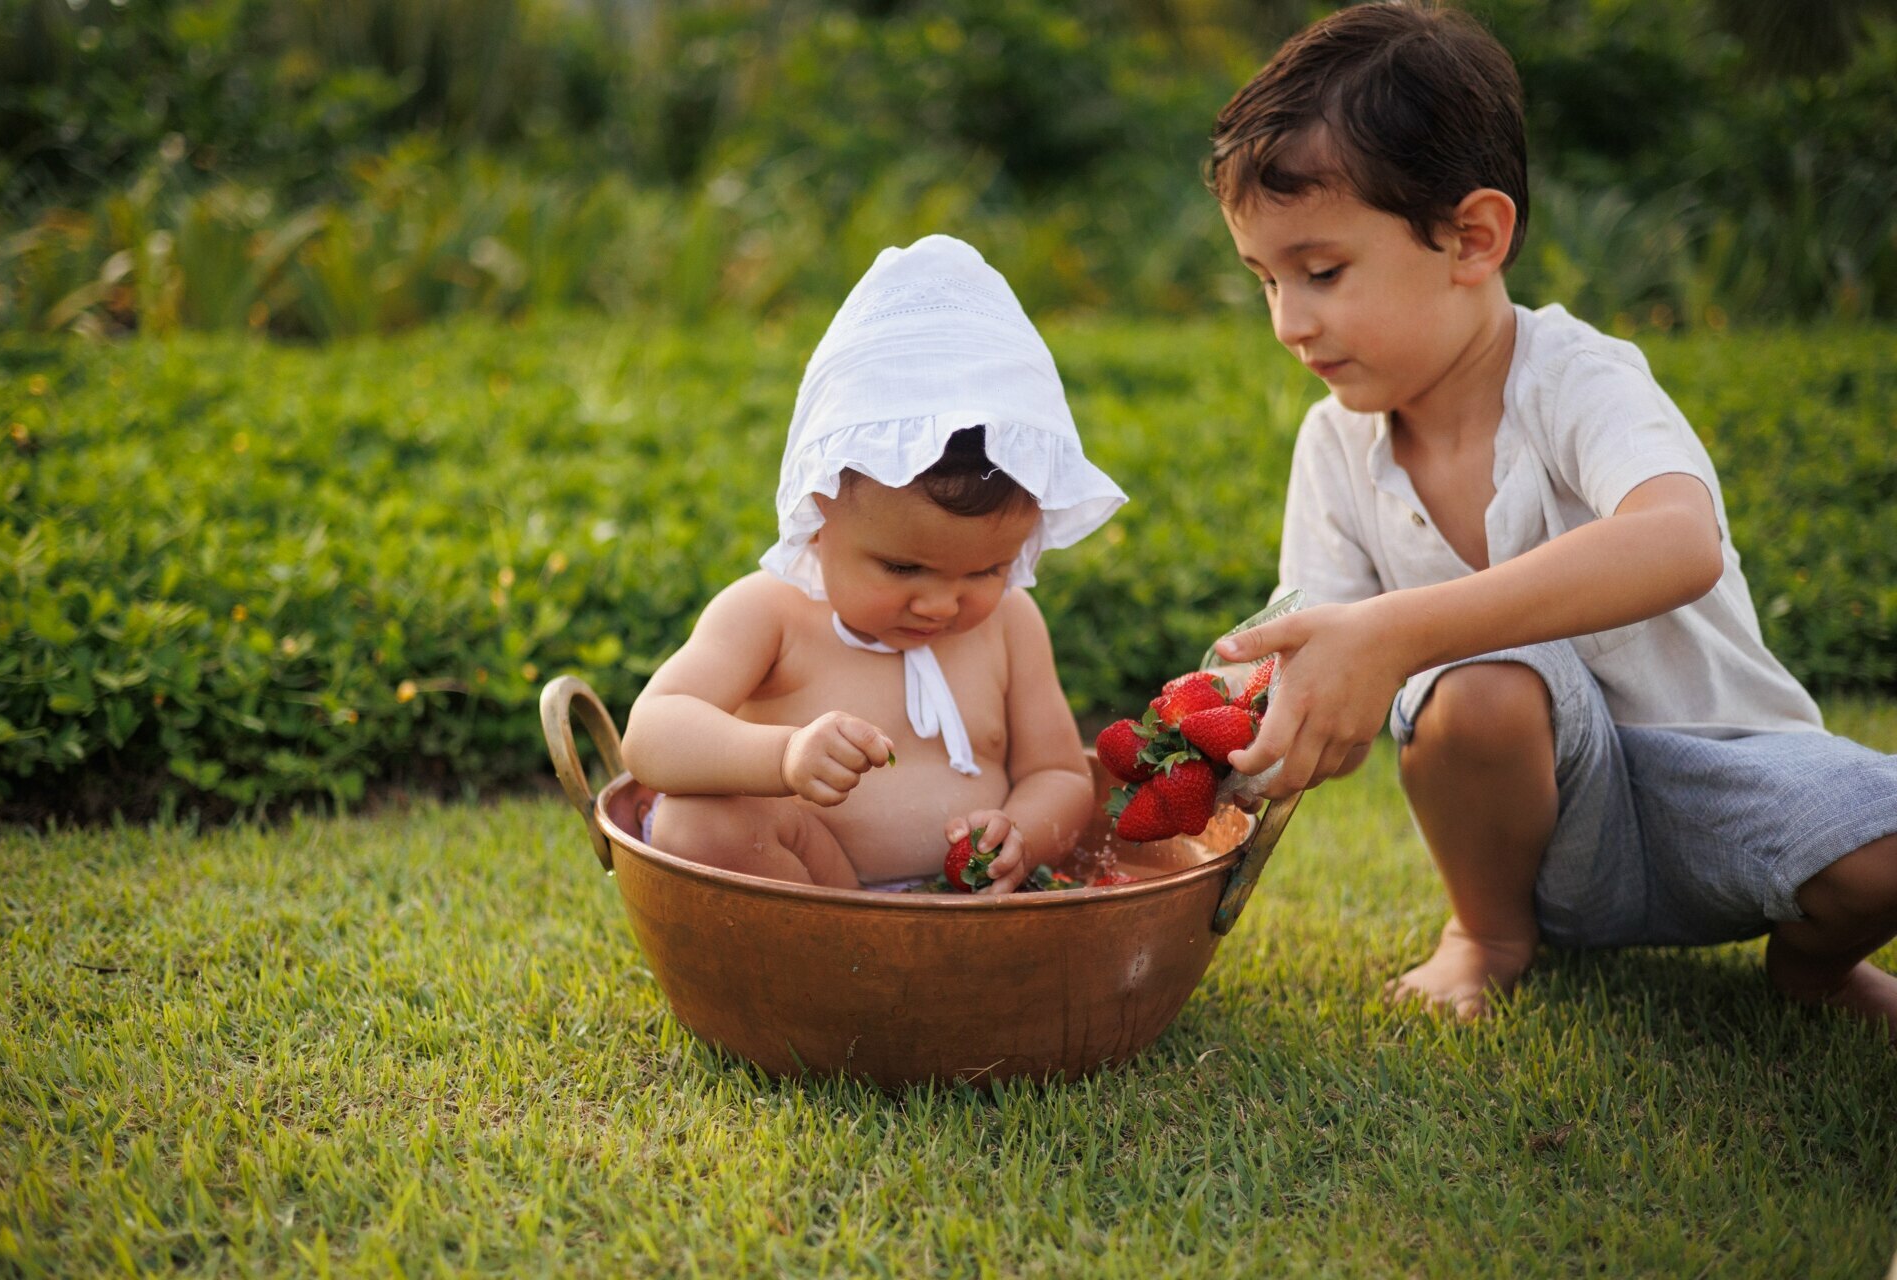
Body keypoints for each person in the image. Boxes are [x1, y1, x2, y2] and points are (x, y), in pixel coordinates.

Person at [1204, 2, 1897, 1033]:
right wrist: (1210, 723)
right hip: (1542, 835)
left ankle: (1810, 970)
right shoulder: (1337, 445)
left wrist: (1393, 632)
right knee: (1480, 687)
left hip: (1725, 777)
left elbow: (1678, 540)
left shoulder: (1579, 379)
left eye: (1323, 271)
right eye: (1266, 280)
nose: (1289, 322)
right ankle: (1485, 936)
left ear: (1472, 237)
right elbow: (1310, 648)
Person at [621, 235, 1126, 893]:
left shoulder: (1011, 625)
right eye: (903, 569)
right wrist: (783, 756)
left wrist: (1021, 832)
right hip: (817, 892)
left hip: (968, 901)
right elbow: (651, 737)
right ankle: (839, 967)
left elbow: (1058, 774)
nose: (944, 605)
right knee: (696, 823)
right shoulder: (770, 612)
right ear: (821, 505)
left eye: (985, 572)